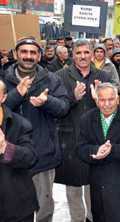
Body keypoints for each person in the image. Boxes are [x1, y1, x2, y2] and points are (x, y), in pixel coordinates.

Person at [1, 36, 70, 222]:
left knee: (44, 209)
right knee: (12, 210)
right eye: (24, 52)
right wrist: (16, 95)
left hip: (42, 155)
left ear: (39, 56)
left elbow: (64, 108)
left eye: (33, 52)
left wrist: (47, 102)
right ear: (15, 54)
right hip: (8, 156)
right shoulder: (3, 79)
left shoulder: (52, 80)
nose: (28, 56)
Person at [55, 39, 112, 222]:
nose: (83, 56)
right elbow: (56, 108)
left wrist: (100, 102)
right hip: (70, 138)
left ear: (93, 53)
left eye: (86, 52)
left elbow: (113, 108)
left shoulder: (103, 76)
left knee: (94, 185)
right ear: (73, 55)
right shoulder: (60, 76)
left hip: (95, 140)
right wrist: (73, 97)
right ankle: (77, 219)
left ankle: (93, 218)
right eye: (78, 53)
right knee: (73, 188)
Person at [75, 83, 120, 222]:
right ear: (96, 100)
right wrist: (96, 151)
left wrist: (111, 150)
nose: (107, 104)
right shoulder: (87, 119)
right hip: (98, 186)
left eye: (111, 99)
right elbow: (80, 149)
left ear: (118, 99)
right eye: (102, 100)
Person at [0, 79, 39, 222]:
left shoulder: (19, 124)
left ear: (3, 98)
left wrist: (5, 149)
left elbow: (31, 157)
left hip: (17, 206)